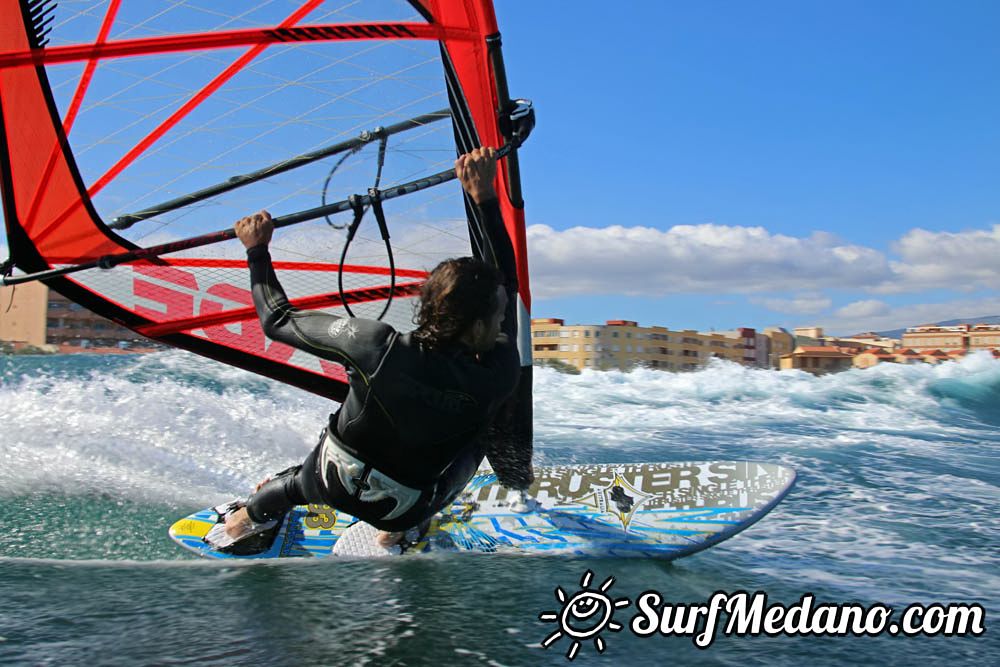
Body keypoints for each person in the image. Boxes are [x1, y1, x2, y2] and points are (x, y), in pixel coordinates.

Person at [215, 147, 533, 552]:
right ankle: (395, 535)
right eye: (500, 311)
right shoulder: (499, 370)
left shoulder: (373, 344)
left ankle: (246, 519)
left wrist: (256, 251)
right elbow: (507, 284)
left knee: (300, 482)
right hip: (405, 507)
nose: (506, 309)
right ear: (479, 324)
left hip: (327, 479)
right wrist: (485, 197)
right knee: (483, 436)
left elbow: (276, 320)